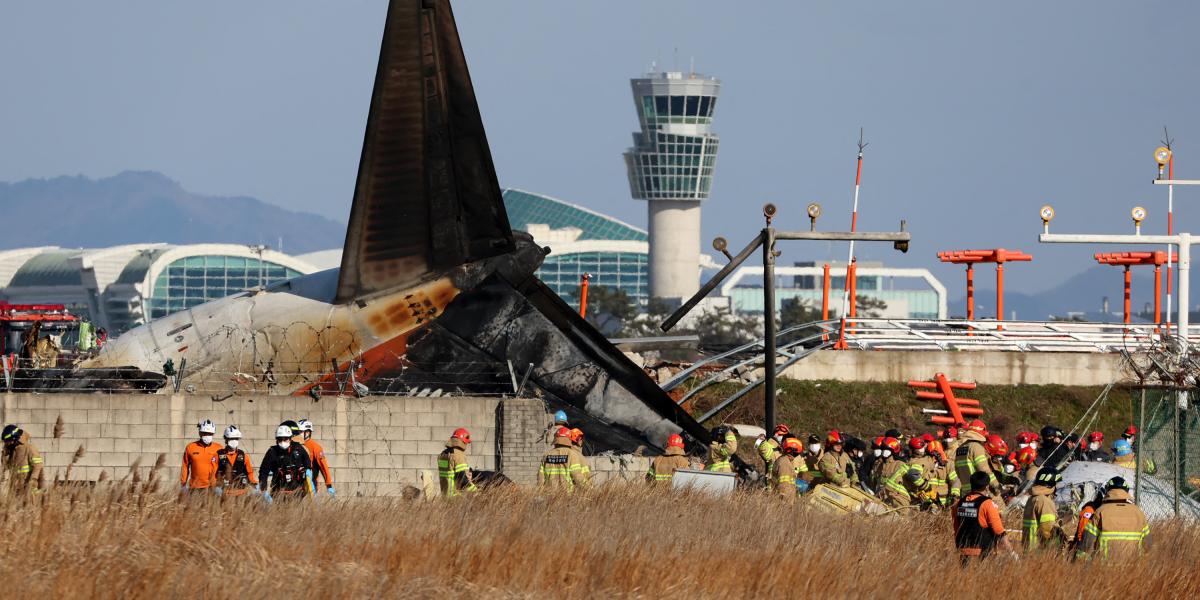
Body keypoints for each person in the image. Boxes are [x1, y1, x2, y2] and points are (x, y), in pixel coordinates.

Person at [1076, 477, 1150, 562]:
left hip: (1104, 570)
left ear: (1107, 491)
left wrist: (1079, 563)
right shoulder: (1138, 513)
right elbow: (1148, 546)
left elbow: (1086, 543)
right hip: (1133, 569)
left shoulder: (1100, 512)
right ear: (1126, 491)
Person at [952, 471, 1012, 565]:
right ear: (987, 487)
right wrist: (1011, 552)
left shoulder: (958, 504)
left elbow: (956, 528)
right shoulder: (987, 504)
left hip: (963, 551)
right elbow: (999, 531)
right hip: (982, 553)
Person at [258, 424, 314, 502]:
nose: (283, 442)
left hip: (298, 493)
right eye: (280, 439)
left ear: (290, 438)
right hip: (278, 494)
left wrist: (308, 473)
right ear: (276, 440)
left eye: (285, 439)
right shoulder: (272, 452)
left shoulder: (298, 448)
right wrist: (263, 490)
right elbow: (263, 472)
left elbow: (307, 462)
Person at [1022, 467, 1063, 553]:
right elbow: (1048, 529)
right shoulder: (1044, 501)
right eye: (1056, 483)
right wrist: (1057, 548)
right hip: (1041, 552)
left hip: (1029, 549)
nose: (1057, 487)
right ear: (1050, 484)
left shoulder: (1033, 499)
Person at [878, 437, 927, 508]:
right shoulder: (880, 464)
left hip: (897, 497)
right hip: (883, 494)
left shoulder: (900, 464)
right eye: (883, 449)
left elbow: (906, 484)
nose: (883, 452)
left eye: (886, 449)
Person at [954, 420, 998, 498]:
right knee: (1000, 507)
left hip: (966, 493)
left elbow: (957, 471)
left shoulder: (960, 449)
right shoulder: (976, 447)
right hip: (979, 491)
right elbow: (983, 469)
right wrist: (995, 485)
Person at [540, 426, 590, 491]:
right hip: (566, 496)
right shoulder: (571, 455)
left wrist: (540, 493)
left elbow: (540, 478)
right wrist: (590, 489)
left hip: (549, 496)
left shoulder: (546, 455)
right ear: (568, 439)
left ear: (556, 439)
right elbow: (577, 476)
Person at [215, 425, 258, 498]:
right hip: (224, 493)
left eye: (236, 438)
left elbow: (249, 472)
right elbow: (213, 472)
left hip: (241, 493)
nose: (234, 441)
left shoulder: (243, 455)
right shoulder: (218, 455)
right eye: (231, 438)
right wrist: (215, 486)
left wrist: (254, 483)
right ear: (226, 439)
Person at [180, 419, 222, 494]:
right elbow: (185, 466)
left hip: (213, 487)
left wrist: (221, 484)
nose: (207, 435)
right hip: (195, 487)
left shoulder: (219, 448)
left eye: (210, 434)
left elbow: (224, 467)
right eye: (205, 433)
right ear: (200, 433)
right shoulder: (190, 447)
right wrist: (183, 484)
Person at [2, 424, 43, 494]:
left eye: (8, 441)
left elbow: (38, 466)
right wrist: (5, 453)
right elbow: (6, 466)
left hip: (29, 488)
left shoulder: (30, 448)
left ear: (15, 438)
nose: (7, 443)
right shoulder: (12, 450)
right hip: (15, 488)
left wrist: (32, 480)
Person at [298, 419, 335, 497]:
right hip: (297, 484)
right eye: (298, 432)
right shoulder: (295, 445)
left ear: (307, 432)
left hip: (311, 483)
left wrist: (329, 485)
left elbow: (323, 466)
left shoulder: (316, 447)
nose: (298, 434)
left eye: (300, 432)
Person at [437, 427, 477, 497]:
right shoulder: (458, 455)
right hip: (456, 496)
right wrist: (476, 491)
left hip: (445, 495)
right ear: (462, 441)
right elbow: (462, 479)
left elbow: (450, 473)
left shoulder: (443, 454)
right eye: (466, 443)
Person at [906, 436, 942, 507]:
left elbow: (913, 474)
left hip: (922, 493)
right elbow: (913, 475)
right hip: (920, 493)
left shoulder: (919, 461)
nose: (922, 450)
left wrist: (925, 486)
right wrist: (925, 486)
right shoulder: (920, 461)